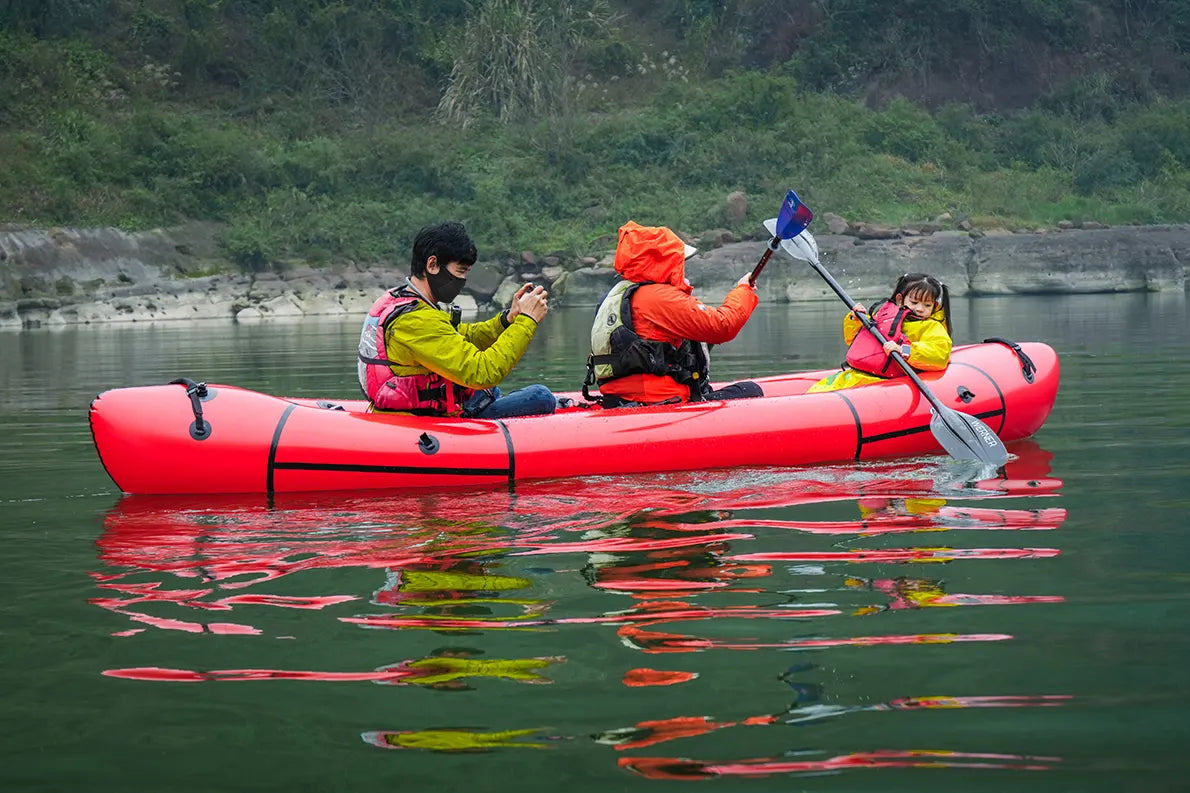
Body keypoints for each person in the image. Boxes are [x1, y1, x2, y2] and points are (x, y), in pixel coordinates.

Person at [357, 221, 556, 418]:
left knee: (490, 392)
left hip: (415, 409)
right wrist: (527, 321)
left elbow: (461, 336)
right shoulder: (416, 320)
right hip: (420, 420)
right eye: (460, 271)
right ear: (432, 265)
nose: (462, 281)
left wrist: (507, 320)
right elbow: (483, 372)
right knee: (542, 397)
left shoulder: (402, 299)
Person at [584, 221, 764, 407]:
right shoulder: (659, 297)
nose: (681, 266)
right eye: (678, 261)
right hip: (658, 402)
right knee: (750, 390)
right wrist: (743, 290)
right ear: (664, 262)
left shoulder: (617, 294)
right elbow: (723, 326)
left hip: (618, 400)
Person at [807, 272, 953, 393]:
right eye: (914, 303)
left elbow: (939, 354)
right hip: (858, 376)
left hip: (888, 383)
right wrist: (856, 319)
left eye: (927, 305)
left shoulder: (931, 327)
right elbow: (854, 340)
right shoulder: (884, 317)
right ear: (900, 300)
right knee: (815, 392)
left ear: (935, 305)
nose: (920, 309)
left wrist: (904, 350)